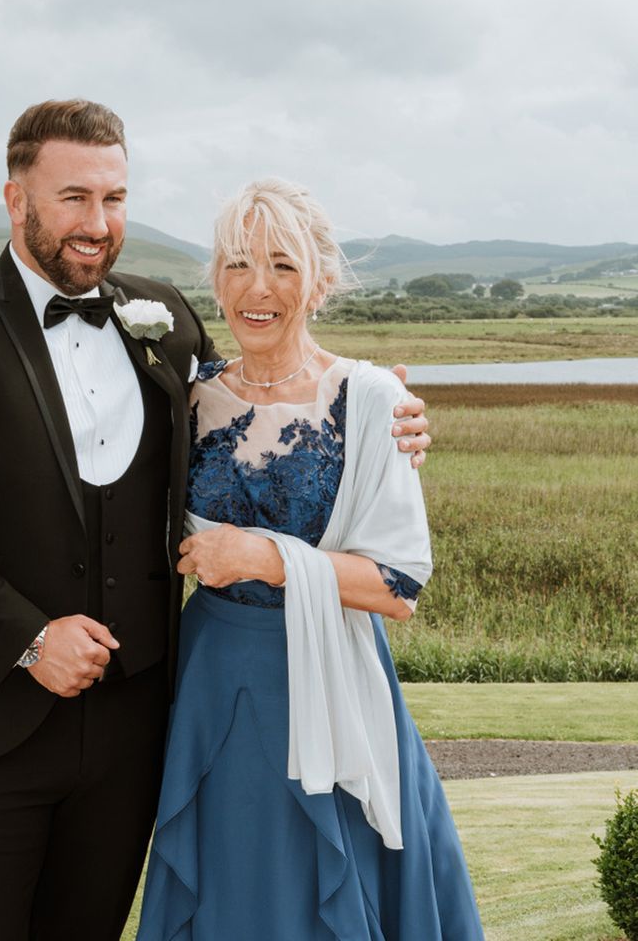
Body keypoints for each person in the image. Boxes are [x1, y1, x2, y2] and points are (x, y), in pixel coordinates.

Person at [0, 101, 431, 941]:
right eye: (74, 198)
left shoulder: (161, 323)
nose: (98, 224)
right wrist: (29, 639)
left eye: (116, 199)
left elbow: (277, 390)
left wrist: (402, 420)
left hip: (145, 726)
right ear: (16, 198)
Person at [135, 178, 484, 940]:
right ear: (213, 282)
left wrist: (266, 557)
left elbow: (397, 587)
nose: (257, 288)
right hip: (213, 684)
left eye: (283, 266)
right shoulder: (179, 400)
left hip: (330, 684)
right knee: (227, 885)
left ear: (321, 282)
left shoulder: (369, 399)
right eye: (236, 265)